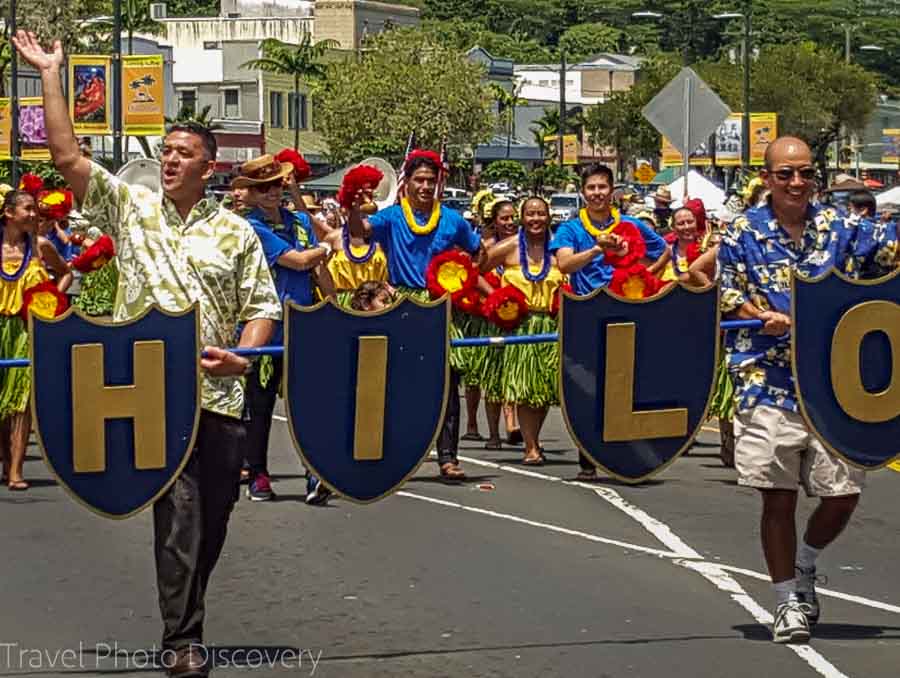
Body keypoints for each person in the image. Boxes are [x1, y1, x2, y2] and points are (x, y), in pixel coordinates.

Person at [14, 29, 282, 678]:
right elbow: (66, 154)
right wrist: (51, 73)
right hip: (155, 395)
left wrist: (243, 357)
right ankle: (182, 640)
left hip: (221, 395)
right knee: (179, 516)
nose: (169, 160)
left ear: (208, 167)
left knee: (212, 521)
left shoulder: (237, 233)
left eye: (183, 153)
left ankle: (188, 616)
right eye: (165, 151)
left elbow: (263, 308)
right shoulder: (131, 208)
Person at [717, 136, 898, 644]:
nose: (797, 183)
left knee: (842, 494)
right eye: (785, 174)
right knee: (778, 498)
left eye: (805, 173)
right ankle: (785, 602)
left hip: (831, 380)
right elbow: (726, 292)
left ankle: (805, 564)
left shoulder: (842, 227)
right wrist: (758, 315)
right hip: (765, 378)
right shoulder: (742, 232)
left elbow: (888, 262)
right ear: (767, 177)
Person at [347, 149, 486, 481]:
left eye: (430, 180)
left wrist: (465, 282)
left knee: (447, 382)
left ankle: (448, 457)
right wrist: (352, 206)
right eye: (419, 180)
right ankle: (398, 452)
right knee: (398, 381)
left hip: (440, 306)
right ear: (406, 183)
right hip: (402, 304)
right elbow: (360, 230)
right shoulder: (393, 217)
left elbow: (479, 251)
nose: (425, 186)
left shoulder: (452, 219)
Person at [551, 164, 667, 481]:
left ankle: (624, 453)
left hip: (628, 312)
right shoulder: (571, 229)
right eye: (591, 188)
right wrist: (596, 249)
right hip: (587, 313)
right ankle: (587, 457)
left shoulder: (630, 224)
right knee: (588, 388)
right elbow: (564, 264)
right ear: (582, 192)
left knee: (627, 386)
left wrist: (643, 280)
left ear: (612, 190)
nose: (597, 193)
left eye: (603, 187)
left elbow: (663, 250)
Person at [237, 154, 336, 504]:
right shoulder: (249, 227)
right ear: (249, 193)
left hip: (302, 324)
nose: (271, 193)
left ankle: (314, 473)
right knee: (259, 406)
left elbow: (318, 271)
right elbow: (299, 260)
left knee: (307, 404)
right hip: (264, 328)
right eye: (262, 188)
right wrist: (326, 247)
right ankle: (258, 474)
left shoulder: (299, 222)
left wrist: (332, 303)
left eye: (276, 185)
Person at [483, 197, 564, 465]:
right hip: (519, 325)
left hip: (550, 326)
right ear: (522, 218)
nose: (536, 219)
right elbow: (474, 270)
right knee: (525, 386)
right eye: (530, 214)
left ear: (549, 217)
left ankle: (533, 438)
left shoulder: (558, 251)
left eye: (541, 214)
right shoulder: (508, 248)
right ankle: (530, 446)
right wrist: (496, 296)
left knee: (541, 390)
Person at [0, 190, 71, 491]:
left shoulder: (40, 247)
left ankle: (16, 470)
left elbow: (65, 274)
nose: (33, 214)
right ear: (8, 213)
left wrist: (53, 298)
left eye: (34, 210)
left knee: (21, 402)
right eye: (27, 209)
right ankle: (6, 463)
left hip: (25, 331)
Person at [325, 165, 388, 308]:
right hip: (342, 307)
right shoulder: (332, 237)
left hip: (376, 307)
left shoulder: (383, 236)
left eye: (370, 196)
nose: (366, 202)